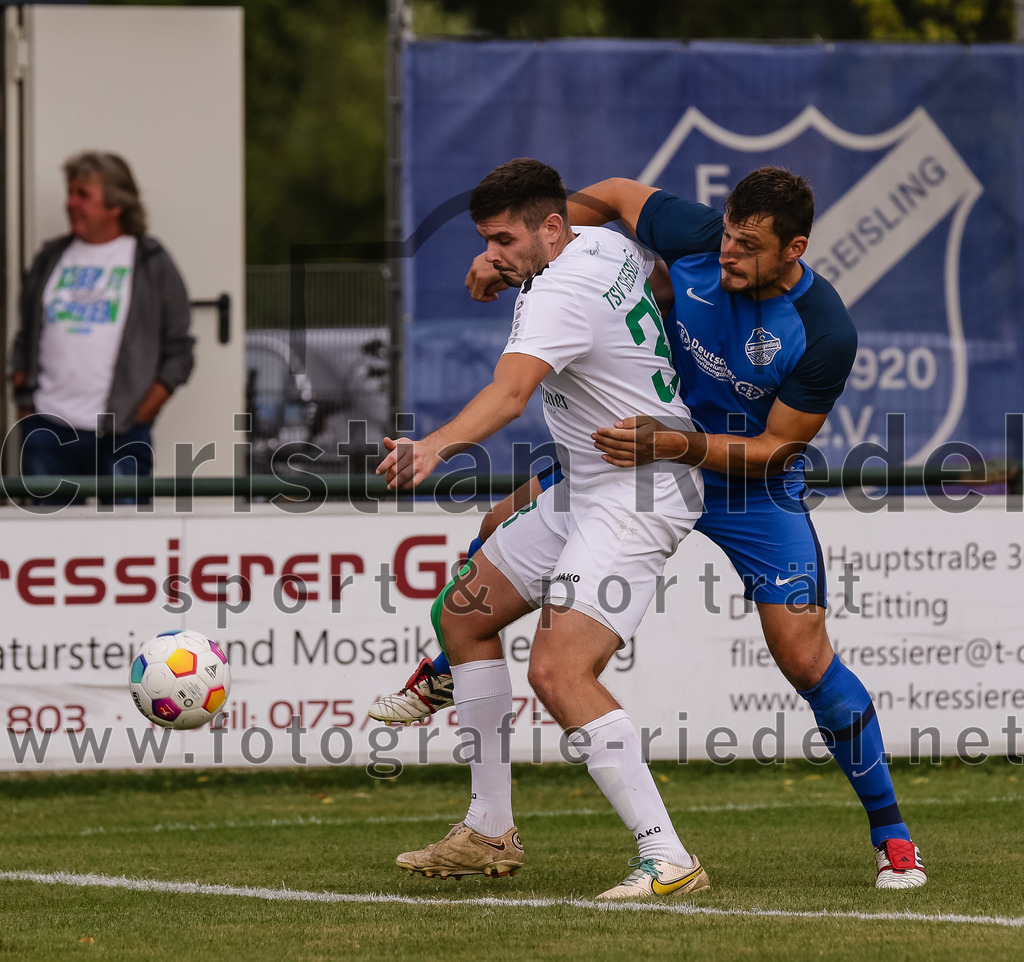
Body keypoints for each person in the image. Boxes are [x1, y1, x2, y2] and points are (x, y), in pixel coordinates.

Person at [370, 166, 927, 891]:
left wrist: (676, 445)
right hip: (636, 456)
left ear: (795, 249)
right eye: (727, 235)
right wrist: (520, 248)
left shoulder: (824, 330)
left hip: (734, 479)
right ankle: (480, 797)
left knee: (802, 657)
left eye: (749, 247)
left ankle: (891, 836)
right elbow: (614, 192)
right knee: (489, 548)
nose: (727, 254)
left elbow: (780, 449)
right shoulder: (689, 242)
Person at [377, 157, 710, 901]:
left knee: (559, 671)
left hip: (639, 492)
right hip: (597, 481)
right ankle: (490, 827)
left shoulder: (556, 290)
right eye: (485, 240)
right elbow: (617, 233)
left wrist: (432, 447)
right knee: (464, 613)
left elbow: (510, 392)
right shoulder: (601, 243)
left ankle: (668, 857)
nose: (491, 252)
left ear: (552, 227)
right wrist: (507, 265)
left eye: (502, 238)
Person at [10, 150, 195, 504]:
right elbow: (24, 339)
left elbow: (179, 351)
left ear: (116, 205)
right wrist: (25, 403)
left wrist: (143, 412)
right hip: (48, 428)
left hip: (122, 431)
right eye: (70, 192)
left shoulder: (150, 261)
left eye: (83, 195)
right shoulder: (51, 257)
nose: (70, 203)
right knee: (53, 545)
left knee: (127, 544)